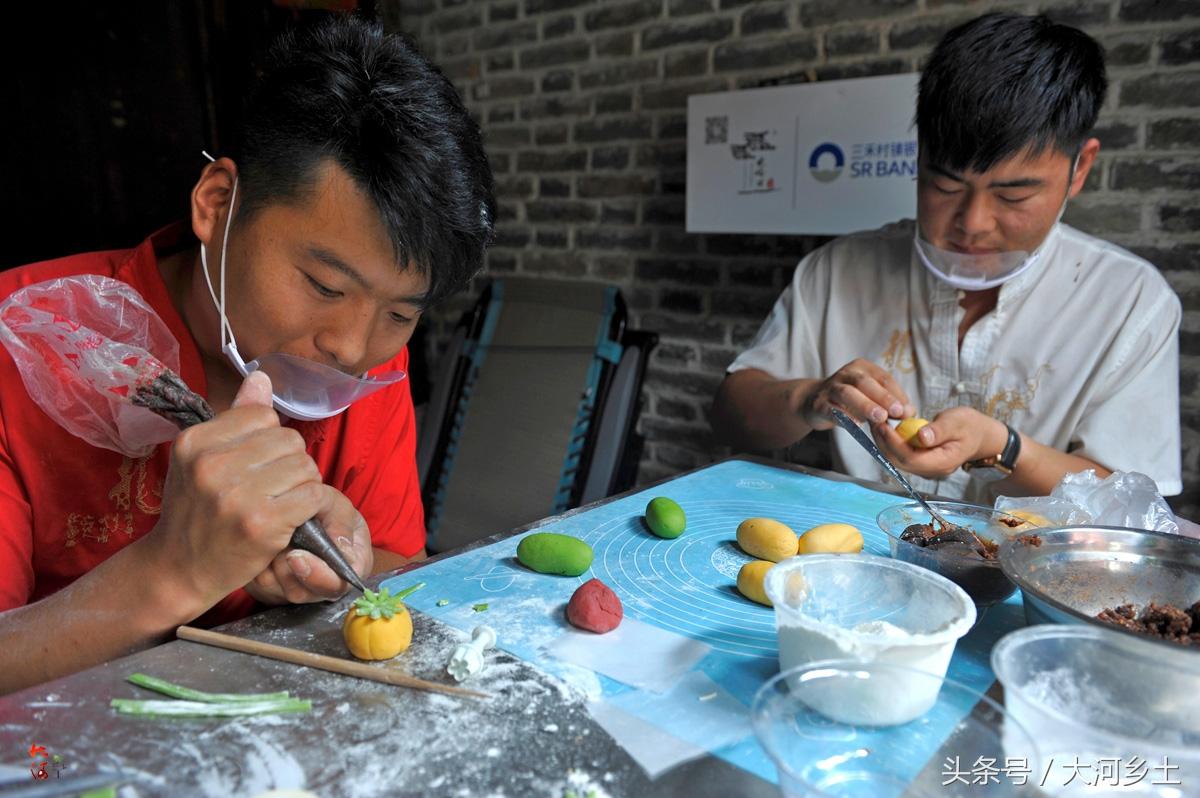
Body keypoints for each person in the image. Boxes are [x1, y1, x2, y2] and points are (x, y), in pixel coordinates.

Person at [0, 16, 494, 693]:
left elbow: (396, 559)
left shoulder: (372, 366)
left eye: (401, 313)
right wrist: (173, 572)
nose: (352, 348)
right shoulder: (25, 335)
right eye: (325, 285)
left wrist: (341, 562)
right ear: (218, 203)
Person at [711, 12, 1181, 504]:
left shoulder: (1130, 300)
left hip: (1037, 575)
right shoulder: (836, 270)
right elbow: (730, 413)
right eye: (945, 184)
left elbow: (1132, 502)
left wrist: (1003, 448)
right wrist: (810, 399)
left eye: (1013, 196)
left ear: (1079, 168)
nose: (973, 223)